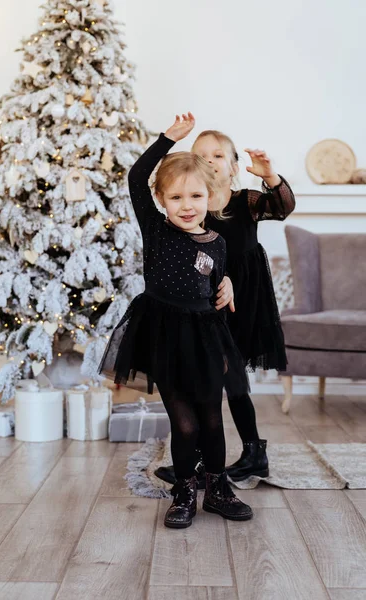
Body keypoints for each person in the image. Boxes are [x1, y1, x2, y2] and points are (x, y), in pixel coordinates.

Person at [99, 114, 252, 528]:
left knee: (211, 419)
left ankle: (218, 488)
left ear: (211, 196)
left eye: (196, 197)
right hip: (163, 336)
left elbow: (215, 279)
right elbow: (135, 178)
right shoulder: (156, 230)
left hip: (206, 337)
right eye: (177, 198)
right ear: (163, 200)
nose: (187, 206)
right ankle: (184, 489)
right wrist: (167, 139)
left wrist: (229, 286)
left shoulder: (217, 243)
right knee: (183, 423)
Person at [155, 126, 296, 486]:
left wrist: (269, 176)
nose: (209, 161)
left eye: (218, 155)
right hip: (207, 300)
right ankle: (200, 456)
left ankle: (252, 451)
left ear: (233, 166)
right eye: (201, 155)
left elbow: (281, 207)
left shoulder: (245, 200)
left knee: (232, 376)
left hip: (245, 298)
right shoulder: (193, 205)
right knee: (206, 379)